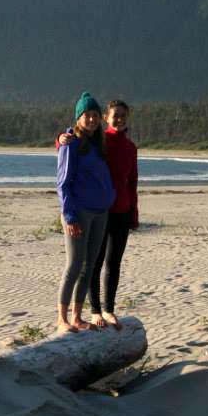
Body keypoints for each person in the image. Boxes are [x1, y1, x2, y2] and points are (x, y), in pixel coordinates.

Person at [59, 99, 139, 330]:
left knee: (110, 264)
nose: (119, 119)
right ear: (107, 118)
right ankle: (89, 312)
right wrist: (61, 138)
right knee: (87, 264)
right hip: (96, 211)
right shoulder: (97, 140)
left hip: (117, 210)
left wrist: (134, 212)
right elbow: (71, 146)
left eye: (123, 115)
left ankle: (105, 310)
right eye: (115, 115)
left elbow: (132, 182)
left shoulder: (124, 146)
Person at [56, 92, 116, 334]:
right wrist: (69, 216)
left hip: (101, 212)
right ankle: (62, 318)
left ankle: (77, 317)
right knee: (74, 264)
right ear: (78, 117)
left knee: (89, 265)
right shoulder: (71, 143)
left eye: (94, 115)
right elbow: (63, 183)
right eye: (86, 115)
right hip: (79, 212)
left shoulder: (98, 143)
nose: (91, 119)